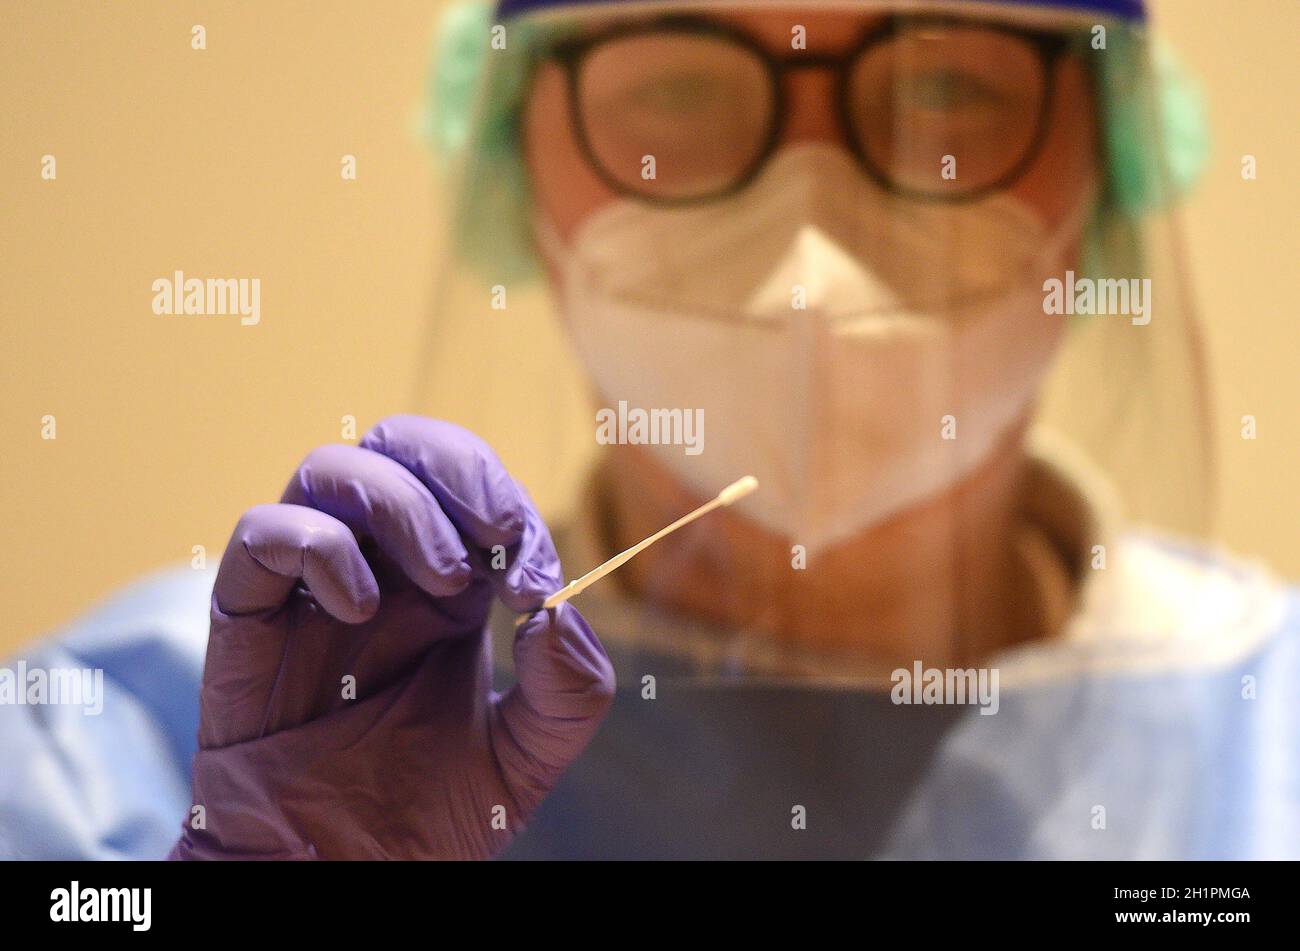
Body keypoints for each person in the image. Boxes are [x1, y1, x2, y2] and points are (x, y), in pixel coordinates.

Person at [3, 0, 1296, 860]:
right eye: (679, 88)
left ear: (1114, 159)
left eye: (945, 87)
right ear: (515, 171)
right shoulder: (144, 738)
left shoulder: (1267, 748)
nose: (811, 224)